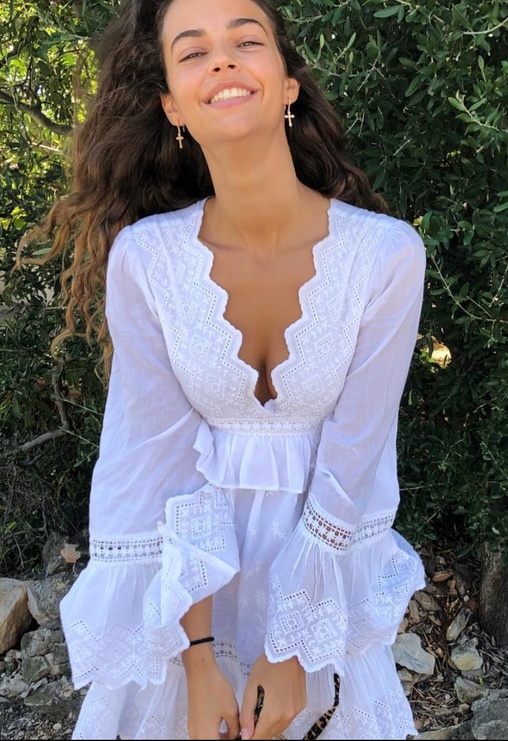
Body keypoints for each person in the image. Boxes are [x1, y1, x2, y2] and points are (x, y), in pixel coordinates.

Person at [30, 0, 427, 738]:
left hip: (321, 604)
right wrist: (199, 660)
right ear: (173, 107)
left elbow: (356, 460)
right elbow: (152, 465)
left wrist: (291, 647)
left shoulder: (386, 256)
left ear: (287, 84)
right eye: (192, 51)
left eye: (246, 40)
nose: (222, 59)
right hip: (189, 616)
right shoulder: (147, 260)